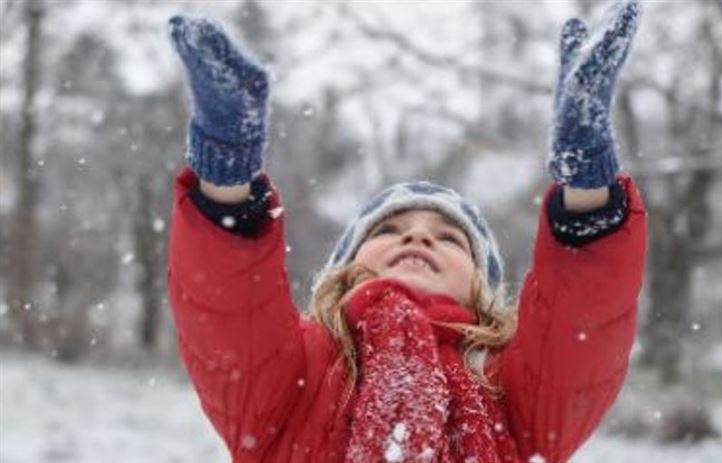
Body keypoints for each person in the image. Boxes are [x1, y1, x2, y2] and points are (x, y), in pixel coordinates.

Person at [165, 1, 647, 462]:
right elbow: (228, 306)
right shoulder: (297, 369)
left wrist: (587, 183)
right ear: (347, 268)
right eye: (391, 228)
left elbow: (582, 320)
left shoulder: (510, 391)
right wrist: (226, 170)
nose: (418, 239)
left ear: (481, 286)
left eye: (449, 237)